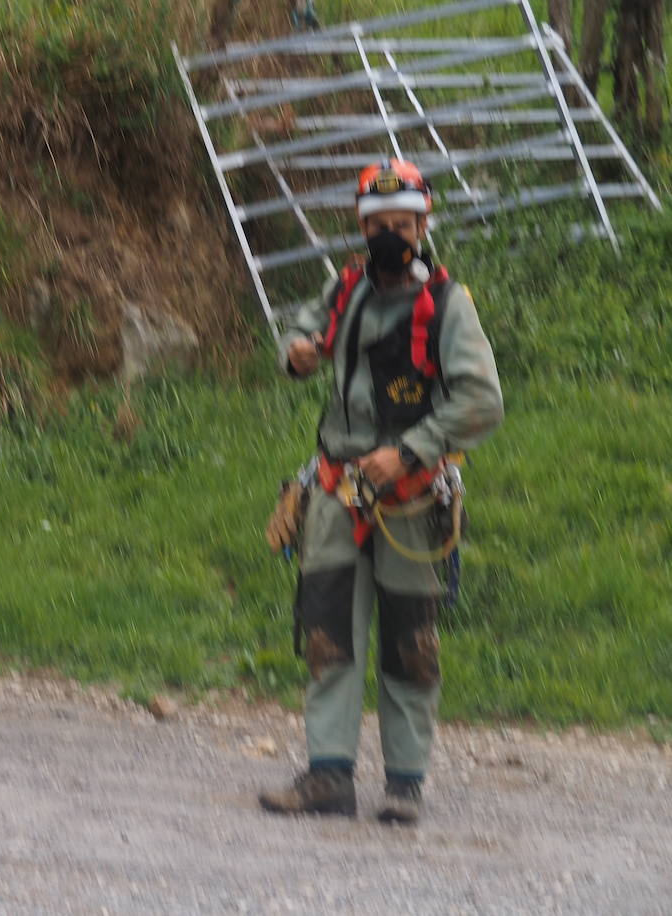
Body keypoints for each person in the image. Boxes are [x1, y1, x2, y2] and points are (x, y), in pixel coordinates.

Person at [259, 158, 503, 822]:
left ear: (424, 224)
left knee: (409, 641)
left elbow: (483, 402)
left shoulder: (448, 307)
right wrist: (299, 352)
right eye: (378, 225)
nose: (391, 235)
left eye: (403, 223)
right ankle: (329, 775)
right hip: (335, 490)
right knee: (327, 631)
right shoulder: (343, 291)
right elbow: (297, 334)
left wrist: (410, 451)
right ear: (360, 228)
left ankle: (404, 784)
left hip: (413, 501)